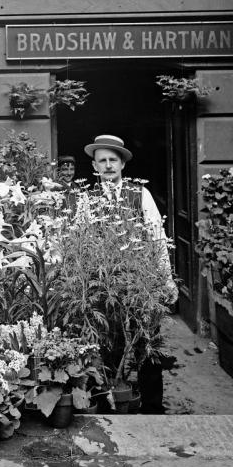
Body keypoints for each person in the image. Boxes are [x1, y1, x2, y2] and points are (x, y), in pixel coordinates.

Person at [83, 133, 177, 413]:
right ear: (95, 166)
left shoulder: (140, 194)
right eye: (103, 161)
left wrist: (167, 279)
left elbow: (157, 237)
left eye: (113, 160)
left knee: (147, 342)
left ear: (123, 165)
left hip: (141, 281)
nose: (108, 166)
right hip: (106, 283)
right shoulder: (89, 198)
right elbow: (83, 240)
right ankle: (109, 403)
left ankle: (152, 406)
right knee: (108, 341)